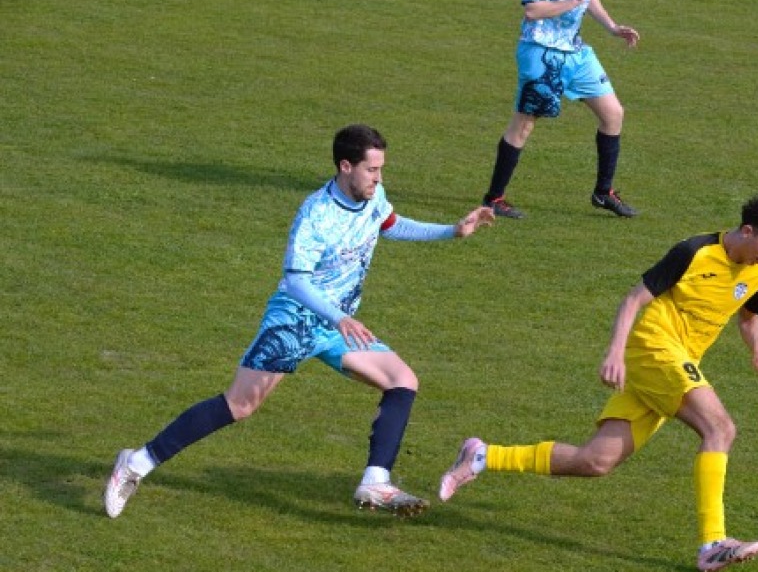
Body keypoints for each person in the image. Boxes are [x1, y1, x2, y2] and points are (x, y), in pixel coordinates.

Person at [104, 124, 495, 519]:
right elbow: (296, 280)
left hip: (334, 327)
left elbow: (390, 224)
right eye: (371, 170)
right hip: (294, 321)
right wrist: (339, 316)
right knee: (239, 405)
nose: (378, 178)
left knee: (402, 380)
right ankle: (135, 463)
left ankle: (375, 480)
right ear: (345, 166)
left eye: (380, 170)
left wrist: (452, 231)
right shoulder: (316, 214)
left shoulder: (373, 196)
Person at [440, 194, 758, 572]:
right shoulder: (694, 251)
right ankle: (713, 542)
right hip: (654, 349)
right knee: (720, 428)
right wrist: (615, 352)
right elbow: (632, 301)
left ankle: (482, 456)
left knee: (595, 461)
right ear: (746, 231)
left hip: (677, 363)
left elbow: (748, 318)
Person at [480, 0, 641, 220]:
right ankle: (494, 198)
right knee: (523, 126)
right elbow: (533, 11)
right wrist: (574, 1)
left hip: (577, 55)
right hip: (541, 53)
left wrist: (612, 27)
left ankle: (603, 192)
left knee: (613, 114)